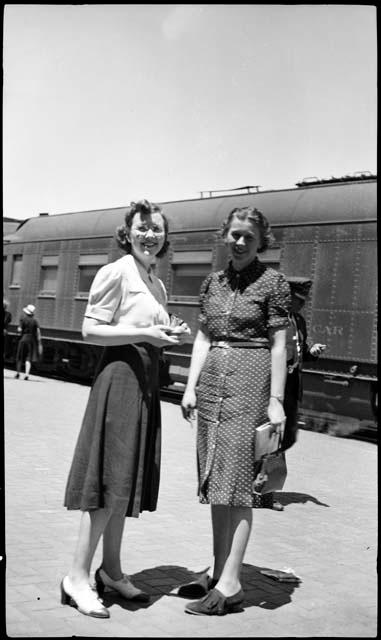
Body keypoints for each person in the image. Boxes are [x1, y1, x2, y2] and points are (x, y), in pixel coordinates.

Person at [62, 199, 190, 619]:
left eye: (157, 229)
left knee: (122, 483)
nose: (150, 235)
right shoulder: (115, 272)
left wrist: (168, 331)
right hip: (118, 381)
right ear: (128, 232)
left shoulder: (155, 281)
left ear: (165, 236)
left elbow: (147, 330)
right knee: (106, 481)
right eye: (143, 228)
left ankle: (112, 571)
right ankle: (77, 577)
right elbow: (90, 329)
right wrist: (147, 331)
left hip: (144, 383)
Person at [180, 205, 291, 616]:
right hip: (212, 387)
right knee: (216, 479)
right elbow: (203, 339)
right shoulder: (212, 283)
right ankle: (216, 573)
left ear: (261, 241)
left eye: (249, 236)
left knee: (241, 481)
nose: (240, 242)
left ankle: (231, 584)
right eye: (235, 234)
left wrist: (275, 399)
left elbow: (279, 344)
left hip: (251, 383)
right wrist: (189, 387)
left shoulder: (273, 283)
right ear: (224, 236)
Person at [268, 277, 326, 511]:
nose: (301, 305)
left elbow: (301, 349)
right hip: (275, 387)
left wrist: (312, 350)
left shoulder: (298, 320)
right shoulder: (274, 320)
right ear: (287, 297)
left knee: (288, 437)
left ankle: (263, 486)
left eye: (303, 301)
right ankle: (265, 493)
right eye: (297, 300)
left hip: (292, 386)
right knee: (272, 439)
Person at [14, 304, 42, 380]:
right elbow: (38, 332)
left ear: (26, 312)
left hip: (23, 339)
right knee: (28, 358)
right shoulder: (35, 320)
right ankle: (26, 375)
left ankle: (18, 374)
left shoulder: (22, 319)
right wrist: (39, 342)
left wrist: (18, 332)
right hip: (32, 340)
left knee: (20, 357)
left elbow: (19, 330)